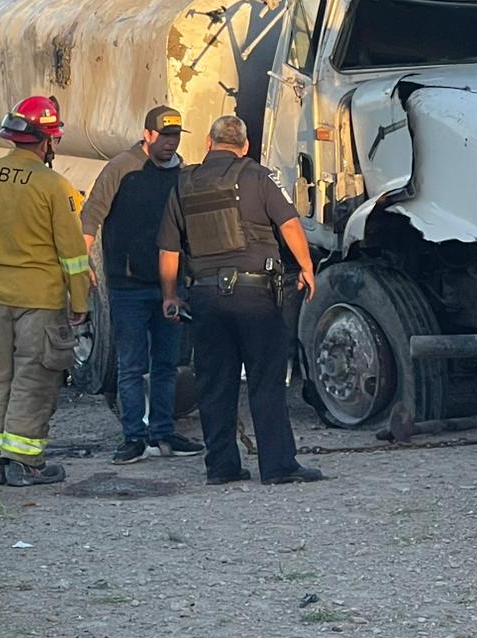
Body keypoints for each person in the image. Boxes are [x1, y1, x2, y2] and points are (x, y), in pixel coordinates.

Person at [157, 115, 323, 486]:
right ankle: (278, 466)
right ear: (245, 145)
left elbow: (169, 249)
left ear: (207, 142)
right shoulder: (257, 176)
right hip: (255, 295)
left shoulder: (183, 184)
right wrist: (307, 266)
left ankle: (222, 467)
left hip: (205, 296)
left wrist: (170, 295)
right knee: (265, 380)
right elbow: (290, 224)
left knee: (216, 382)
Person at [0, 95, 92, 487]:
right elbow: (72, 255)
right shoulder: (56, 187)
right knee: (34, 378)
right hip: (40, 301)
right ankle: (24, 462)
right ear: (47, 141)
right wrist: (79, 302)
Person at [81, 105, 205, 465]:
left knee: (167, 364)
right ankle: (133, 437)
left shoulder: (181, 173)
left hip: (170, 287)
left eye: (175, 137)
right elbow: (92, 214)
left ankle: (163, 434)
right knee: (131, 365)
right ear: (147, 135)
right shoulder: (121, 167)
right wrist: (79, 265)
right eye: (164, 136)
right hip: (128, 286)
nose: (170, 143)